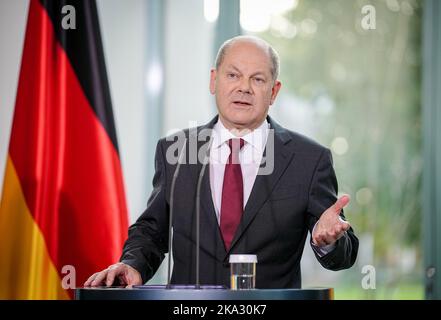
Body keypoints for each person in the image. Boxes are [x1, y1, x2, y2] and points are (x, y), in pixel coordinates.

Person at [85, 35, 358, 289]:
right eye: (233, 75)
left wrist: (330, 241)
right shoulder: (176, 152)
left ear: (274, 92)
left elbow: (343, 252)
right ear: (214, 80)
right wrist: (133, 264)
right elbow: (151, 231)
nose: (244, 87)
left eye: (258, 79)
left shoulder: (308, 160)